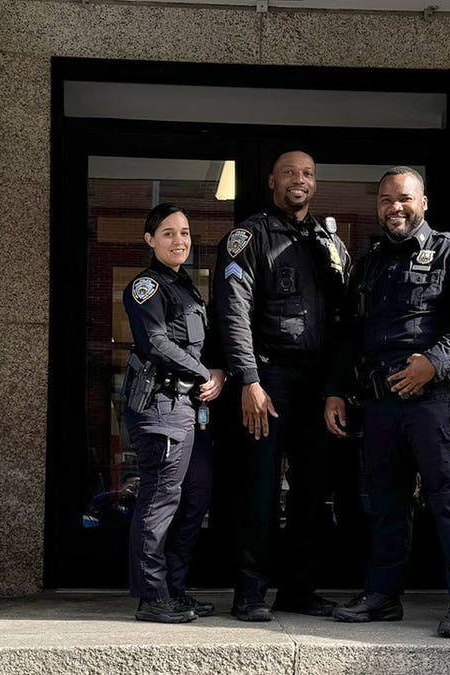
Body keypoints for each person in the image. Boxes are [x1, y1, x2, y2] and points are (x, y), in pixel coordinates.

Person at [324, 166, 450, 638]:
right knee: (385, 504)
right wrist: (335, 389)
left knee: (449, 500)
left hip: (436, 402)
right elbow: (350, 334)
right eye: (384, 200)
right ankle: (383, 596)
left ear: (423, 203)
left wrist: (434, 363)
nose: (393, 207)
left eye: (402, 198)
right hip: (380, 405)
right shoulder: (371, 263)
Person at [212, 150, 350, 621]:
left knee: (313, 491)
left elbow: (344, 322)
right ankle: (249, 593)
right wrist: (249, 380)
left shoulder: (328, 242)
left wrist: (335, 386)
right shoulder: (247, 237)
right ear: (272, 180)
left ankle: (299, 590)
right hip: (267, 381)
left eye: (308, 173)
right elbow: (233, 313)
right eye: (290, 172)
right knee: (260, 490)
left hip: (318, 386)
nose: (299, 180)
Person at [122, 203, 226, 623]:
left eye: (184, 233)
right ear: (150, 240)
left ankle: (174, 590)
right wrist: (206, 372)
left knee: (195, 495)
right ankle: (152, 596)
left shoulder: (186, 287)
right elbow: (156, 343)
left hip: (188, 408)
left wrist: (217, 371)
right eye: (168, 233)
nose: (179, 240)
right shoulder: (146, 286)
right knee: (159, 500)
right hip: (160, 407)